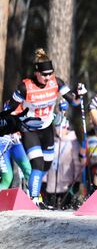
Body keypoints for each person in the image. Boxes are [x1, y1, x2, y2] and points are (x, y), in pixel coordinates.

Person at [7, 48, 86, 207]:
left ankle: (33, 189)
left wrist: (80, 94)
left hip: (46, 129)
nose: (48, 77)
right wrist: (13, 128)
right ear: (36, 72)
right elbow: (10, 108)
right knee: (37, 164)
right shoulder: (25, 87)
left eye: (50, 73)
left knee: (46, 165)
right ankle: (34, 199)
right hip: (29, 130)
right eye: (44, 74)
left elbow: (74, 102)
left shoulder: (56, 82)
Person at [42, 110, 85, 208]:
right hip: (51, 185)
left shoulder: (72, 142)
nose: (59, 131)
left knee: (65, 207)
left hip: (67, 183)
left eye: (61, 128)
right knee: (50, 207)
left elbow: (77, 163)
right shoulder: (52, 141)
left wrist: (77, 181)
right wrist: (43, 180)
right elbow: (46, 162)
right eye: (57, 128)